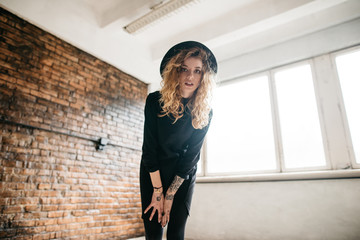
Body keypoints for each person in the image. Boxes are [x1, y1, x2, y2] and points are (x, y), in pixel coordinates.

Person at [139, 41, 217, 240]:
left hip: (182, 175)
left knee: (176, 233)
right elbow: (149, 149)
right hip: (153, 171)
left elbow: (191, 157)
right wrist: (158, 191)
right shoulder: (155, 101)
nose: (190, 76)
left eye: (197, 71)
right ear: (175, 71)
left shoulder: (205, 112)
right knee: (154, 232)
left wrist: (170, 194)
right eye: (184, 69)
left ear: (204, 76)